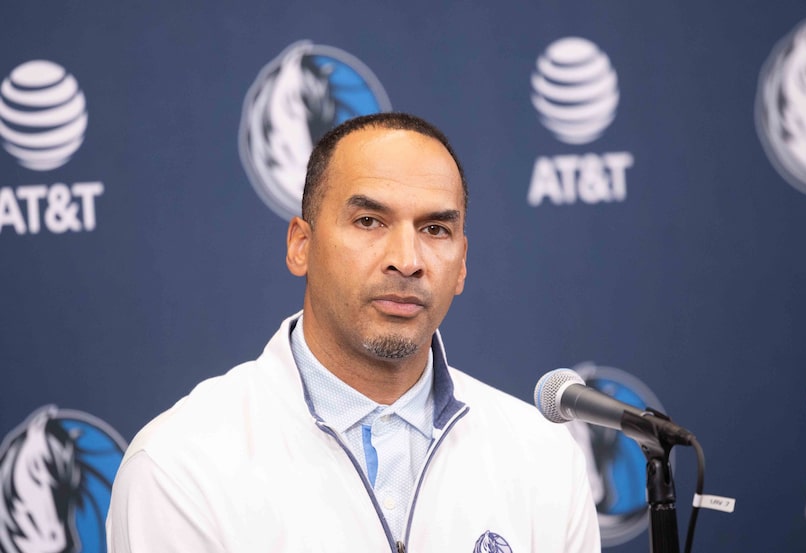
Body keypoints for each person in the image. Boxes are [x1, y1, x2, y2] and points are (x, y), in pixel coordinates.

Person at [106, 112, 600, 553]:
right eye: (368, 221)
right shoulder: (179, 467)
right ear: (301, 245)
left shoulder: (544, 458)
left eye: (435, 230)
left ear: (463, 264)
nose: (406, 261)